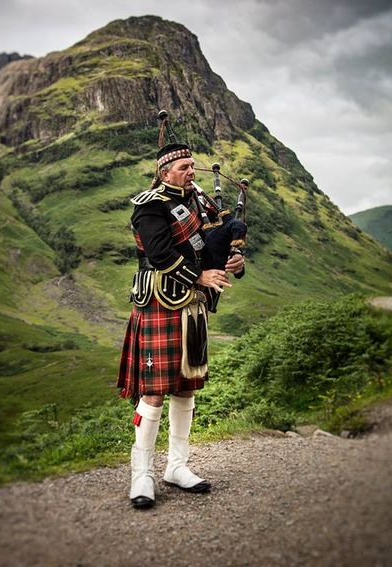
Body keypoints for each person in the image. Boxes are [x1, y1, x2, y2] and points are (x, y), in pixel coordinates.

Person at [117, 141, 245, 509]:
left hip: (193, 306)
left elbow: (214, 241)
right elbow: (159, 254)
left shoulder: (201, 203)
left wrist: (235, 259)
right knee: (154, 391)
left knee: (186, 388)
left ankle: (176, 466)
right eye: (184, 167)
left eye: (192, 166)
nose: (191, 171)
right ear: (164, 171)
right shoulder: (150, 206)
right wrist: (200, 276)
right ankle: (141, 474)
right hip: (160, 301)